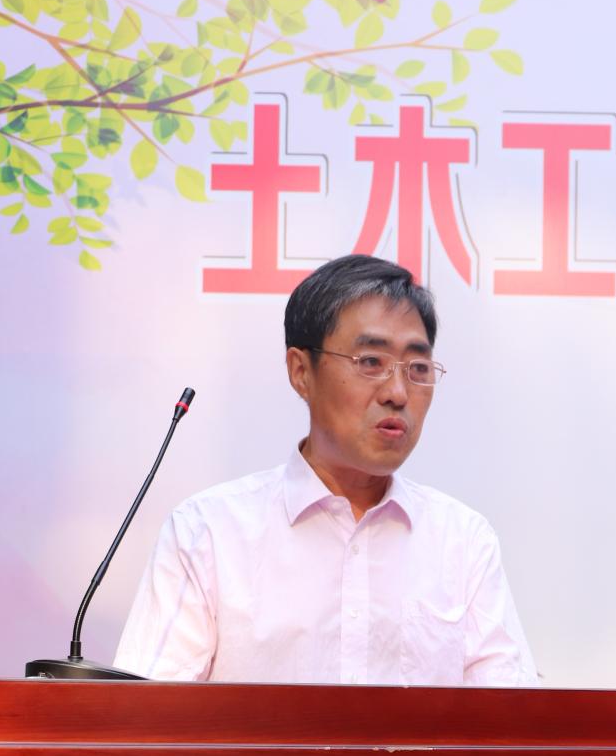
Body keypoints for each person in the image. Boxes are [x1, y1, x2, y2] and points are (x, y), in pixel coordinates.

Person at [114, 254, 536, 687]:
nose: (397, 393)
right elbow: (147, 717)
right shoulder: (208, 533)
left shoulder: (462, 541)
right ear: (301, 372)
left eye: (417, 369)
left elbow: (513, 716)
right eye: (370, 362)